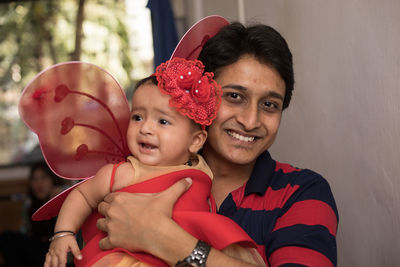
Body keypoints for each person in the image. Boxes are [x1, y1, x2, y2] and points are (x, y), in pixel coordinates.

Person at [95, 22, 339, 267]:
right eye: (235, 96)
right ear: (201, 101)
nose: (250, 121)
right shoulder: (139, 172)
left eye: (269, 105)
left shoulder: (301, 192)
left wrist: (162, 238)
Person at [44, 58, 264, 267]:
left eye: (163, 121)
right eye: (137, 117)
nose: (146, 128)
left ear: (195, 141)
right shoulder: (124, 172)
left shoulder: (200, 166)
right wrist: (64, 232)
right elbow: (82, 195)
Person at [0, 161, 69, 267]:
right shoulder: (30, 203)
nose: (39, 184)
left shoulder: (62, 196)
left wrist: (56, 200)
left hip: (57, 249)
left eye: (43, 178)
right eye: (34, 180)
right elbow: (25, 232)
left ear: (52, 180)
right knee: (8, 239)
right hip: (38, 248)